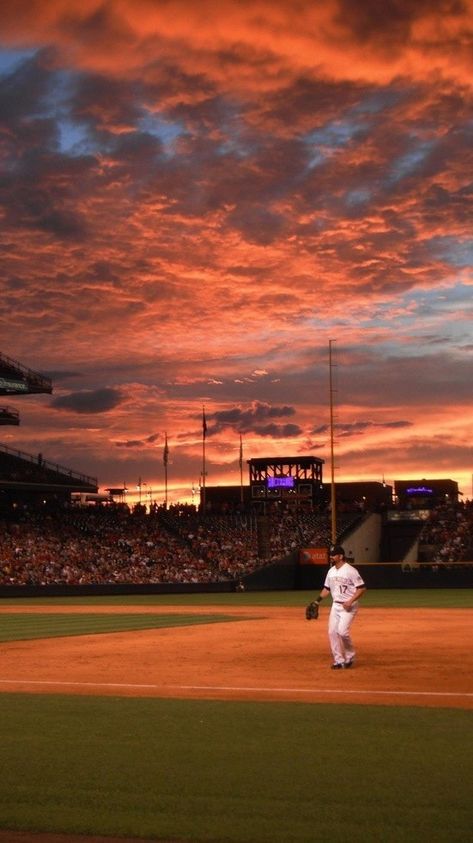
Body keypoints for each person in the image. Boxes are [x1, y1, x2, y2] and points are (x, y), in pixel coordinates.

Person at [313, 544, 366, 669]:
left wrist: (351, 600)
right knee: (332, 632)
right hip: (335, 606)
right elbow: (326, 589)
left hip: (349, 606)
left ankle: (350, 656)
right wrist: (317, 601)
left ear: (341, 556)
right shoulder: (331, 571)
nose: (330, 556)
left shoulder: (350, 570)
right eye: (330, 554)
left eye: (333, 554)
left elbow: (362, 588)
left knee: (342, 632)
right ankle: (338, 660)